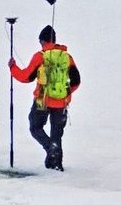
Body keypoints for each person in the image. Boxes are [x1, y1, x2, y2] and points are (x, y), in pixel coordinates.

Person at [9, 25, 80, 170]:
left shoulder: (40, 56)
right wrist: (65, 93)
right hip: (62, 103)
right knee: (57, 134)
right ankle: (56, 166)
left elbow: (26, 77)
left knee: (35, 127)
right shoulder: (67, 57)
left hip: (42, 100)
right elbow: (76, 81)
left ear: (42, 41)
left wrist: (12, 67)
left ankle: (50, 148)